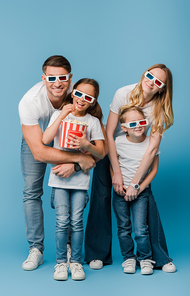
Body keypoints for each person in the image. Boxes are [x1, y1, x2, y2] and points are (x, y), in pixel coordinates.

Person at [85, 64, 176, 273]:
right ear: (145, 73)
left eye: (158, 81)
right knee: (101, 196)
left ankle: (158, 258)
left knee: (145, 201)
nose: (151, 81)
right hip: (110, 150)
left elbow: (152, 148)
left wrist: (135, 182)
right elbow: (108, 134)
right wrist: (115, 171)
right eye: (150, 75)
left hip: (138, 158)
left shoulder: (160, 108)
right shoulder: (123, 93)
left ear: (162, 88)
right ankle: (97, 254)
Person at [18, 56, 95, 271]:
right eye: (52, 78)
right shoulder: (30, 101)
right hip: (38, 140)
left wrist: (79, 162)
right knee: (32, 191)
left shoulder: (79, 92)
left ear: (70, 78)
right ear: (44, 78)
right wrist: (79, 159)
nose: (57, 83)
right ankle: (36, 249)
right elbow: (40, 151)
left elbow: (97, 138)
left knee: (69, 188)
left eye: (63, 77)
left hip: (71, 140)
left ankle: (69, 246)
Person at [42, 78, 105, 281]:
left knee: (76, 221)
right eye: (79, 93)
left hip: (80, 180)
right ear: (72, 93)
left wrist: (86, 143)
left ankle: (76, 262)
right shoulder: (59, 114)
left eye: (88, 97)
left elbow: (101, 152)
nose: (82, 99)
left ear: (93, 102)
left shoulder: (92, 122)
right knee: (62, 221)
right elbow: (45, 140)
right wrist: (62, 114)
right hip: (59, 177)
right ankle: (61, 263)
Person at [113, 106, 159, 275]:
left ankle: (145, 259)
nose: (138, 126)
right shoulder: (118, 141)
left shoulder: (151, 142)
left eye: (141, 122)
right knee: (124, 227)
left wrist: (138, 188)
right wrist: (116, 184)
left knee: (141, 228)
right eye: (132, 123)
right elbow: (114, 165)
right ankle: (129, 259)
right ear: (124, 127)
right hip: (120, 192)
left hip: (141, 192)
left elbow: (153, 170)